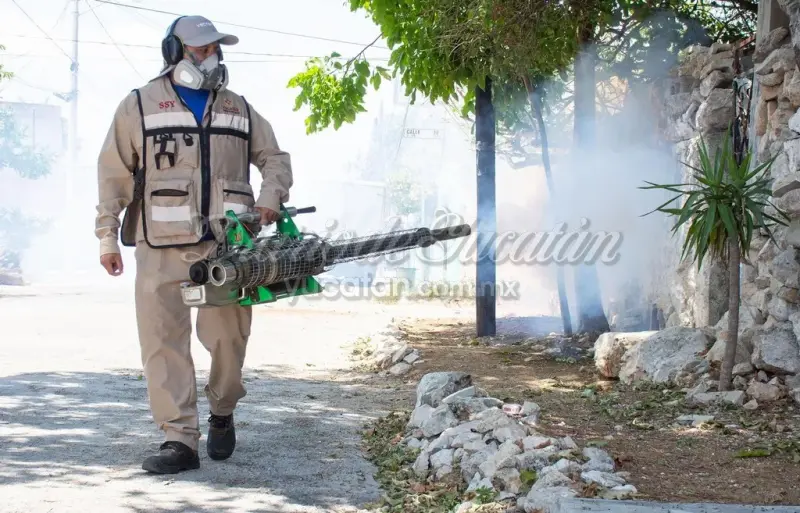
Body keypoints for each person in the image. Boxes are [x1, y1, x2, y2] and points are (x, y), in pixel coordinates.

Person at [94, 15, 292, 474]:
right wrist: (107, 235)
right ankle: (178, 439)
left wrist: (270, 197)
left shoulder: (239, 108)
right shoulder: (139, 105)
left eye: (214, 49)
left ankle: (223, 409)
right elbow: (113, 174)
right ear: (173, 52)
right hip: (160, 248)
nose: (210, 57)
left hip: (228, 249)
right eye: (200, 49)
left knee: (228, 341)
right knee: (163, 343)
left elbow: (274, 158)